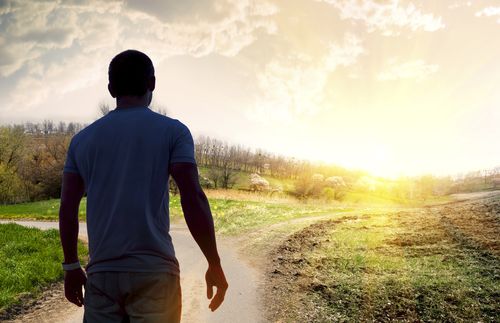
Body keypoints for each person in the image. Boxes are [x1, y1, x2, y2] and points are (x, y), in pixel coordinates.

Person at [58, 49, 228, 322]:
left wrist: (71, 266)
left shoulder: (82, 140)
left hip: (102, 274)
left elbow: (67, 207)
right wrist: (214, 263)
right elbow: (193, 197)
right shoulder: (173, 132)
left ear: (111, 88)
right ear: (152, 84)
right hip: (156, 274)